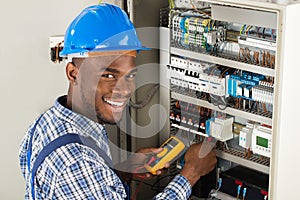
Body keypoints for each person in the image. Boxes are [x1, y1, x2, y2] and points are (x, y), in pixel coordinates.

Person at [19, 3, 216, 200]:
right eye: (108, 76)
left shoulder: (45, 124)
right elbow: (79, 174)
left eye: (130, 76)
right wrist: (191, 173)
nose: (124, 90)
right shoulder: (76, 162)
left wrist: (121, 171)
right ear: (73, 73)